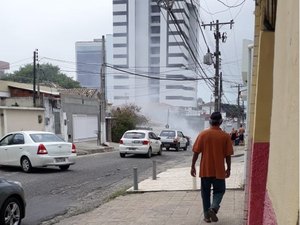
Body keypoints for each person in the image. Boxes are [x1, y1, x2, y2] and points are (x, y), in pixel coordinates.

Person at [191, 112, 233, 223]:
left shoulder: (203, 134)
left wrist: (193, 166)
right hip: (219, 170)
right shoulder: (225, 136)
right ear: (221, 122)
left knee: (205, 193)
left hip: (205, 170)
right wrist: (228, 168)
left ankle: (207, 216)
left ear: (210, 121)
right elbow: (228, 155)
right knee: (220, 190)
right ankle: (213, 208)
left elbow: (196, 152)